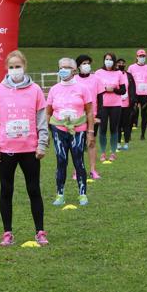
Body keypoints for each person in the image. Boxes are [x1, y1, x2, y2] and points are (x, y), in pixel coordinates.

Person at [0, 50, 48, 246]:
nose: (15, 70)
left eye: (18, 66)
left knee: (34, 190)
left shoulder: (36, 90)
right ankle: (7, 232)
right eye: (11, 67)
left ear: (25, 66)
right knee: (6, 190)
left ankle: (40, 231)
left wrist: (42, 144)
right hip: (6, 150)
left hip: (30, 149)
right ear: (7, 68)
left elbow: (42, 119)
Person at [47, 58, 95, 207]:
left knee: (78, 161)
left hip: (78, 130)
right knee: (61, 161)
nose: (64, 70)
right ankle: (60, 194)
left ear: (74, 70)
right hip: (58, 129)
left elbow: (89, 112)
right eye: (61, 67)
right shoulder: (54, 89)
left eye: (67, 67)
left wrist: (90, 132)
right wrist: (44, 133)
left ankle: (82, 194)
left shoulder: (83, 89)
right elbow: (48, 113)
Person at [74, 54, 104, 179]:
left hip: (93, 116)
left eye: (88, 63)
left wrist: (99, 116)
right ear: (78, 66)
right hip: (78, 117)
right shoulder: (74, 79)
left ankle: (93, 170)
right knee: (78, 144)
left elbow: (100, 99)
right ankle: (78, 171)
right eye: (84, 63)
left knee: (91, 142)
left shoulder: (96, 79)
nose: (86, 66)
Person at [95, 53, 126, 162]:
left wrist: (113, 90)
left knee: (114, 129)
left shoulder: (118, 73)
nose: (108, 61)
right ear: (104, 60)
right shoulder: (98, 73)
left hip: (116, 105)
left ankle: (113, 152)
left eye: (110, 59)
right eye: (106, 59)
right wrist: (105, 88)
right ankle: (103, 153)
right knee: (102, 129)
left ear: (114, 61)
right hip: (102, 105)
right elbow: (95, 89)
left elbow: (123, 91)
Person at [128, 49, 147, 140]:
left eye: (143, 56)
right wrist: (129, 93)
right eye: (140, 56)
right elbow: (128, 81)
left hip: (145, 94)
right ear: (137, 57)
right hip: (134, 94)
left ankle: (143, 135)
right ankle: (129, 134)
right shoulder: (131, 67)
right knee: (133, 113)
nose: (142, 58)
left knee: (144, 113)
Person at [116, 58, 136, 150]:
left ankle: (127, 143)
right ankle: (118, 143)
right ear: (116, 64)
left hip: (127, 104)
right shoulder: (114, 75)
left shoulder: (129, 75)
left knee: (127, 124)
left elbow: (133, 88)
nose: (121, 64)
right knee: (118, 125)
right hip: (116, 104)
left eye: (123, 63)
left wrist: (133, 101)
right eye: (119, 63)